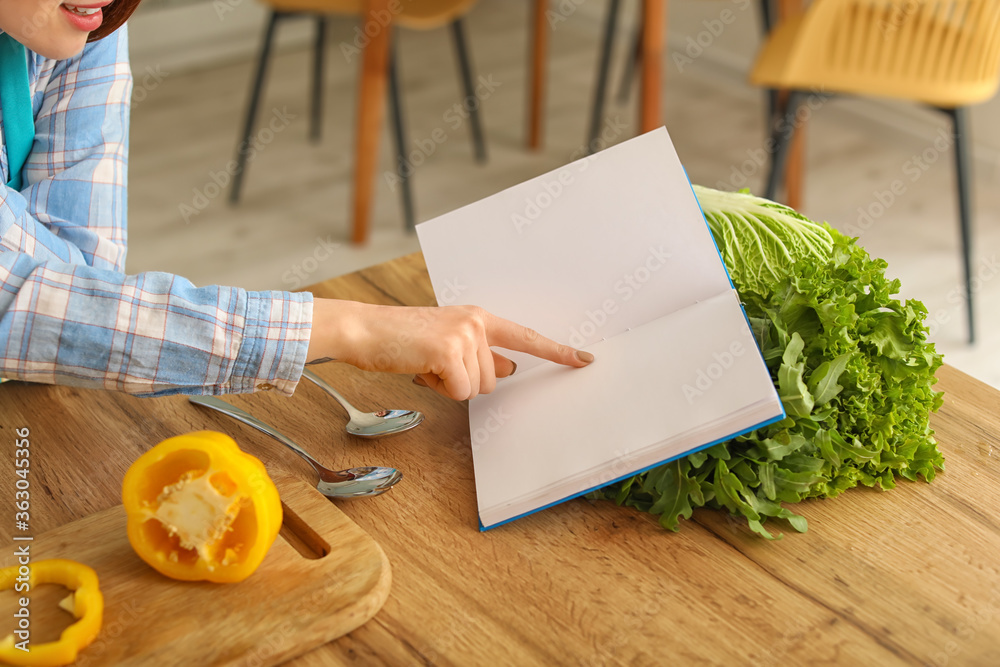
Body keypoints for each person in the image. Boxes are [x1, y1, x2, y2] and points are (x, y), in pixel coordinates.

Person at [0, 0, 593, 402]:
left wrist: (46, 292)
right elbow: (38, 304)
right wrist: (350, 327)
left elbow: (79, 288)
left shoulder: (84, 17)